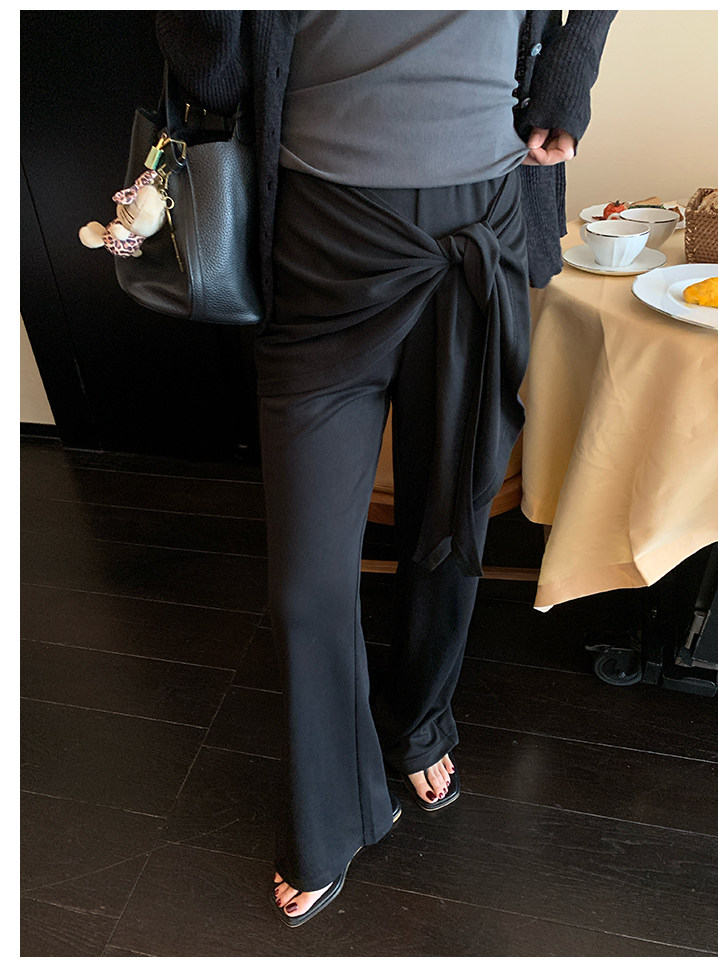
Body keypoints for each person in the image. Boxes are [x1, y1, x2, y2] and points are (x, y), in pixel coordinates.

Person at [155, 9, 616, 927]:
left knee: (454, 514)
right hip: (318, 235)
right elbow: (216, 77)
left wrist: (570, 67)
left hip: (484, 213)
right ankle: (331, 810)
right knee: (304, 583)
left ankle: (420, 721)